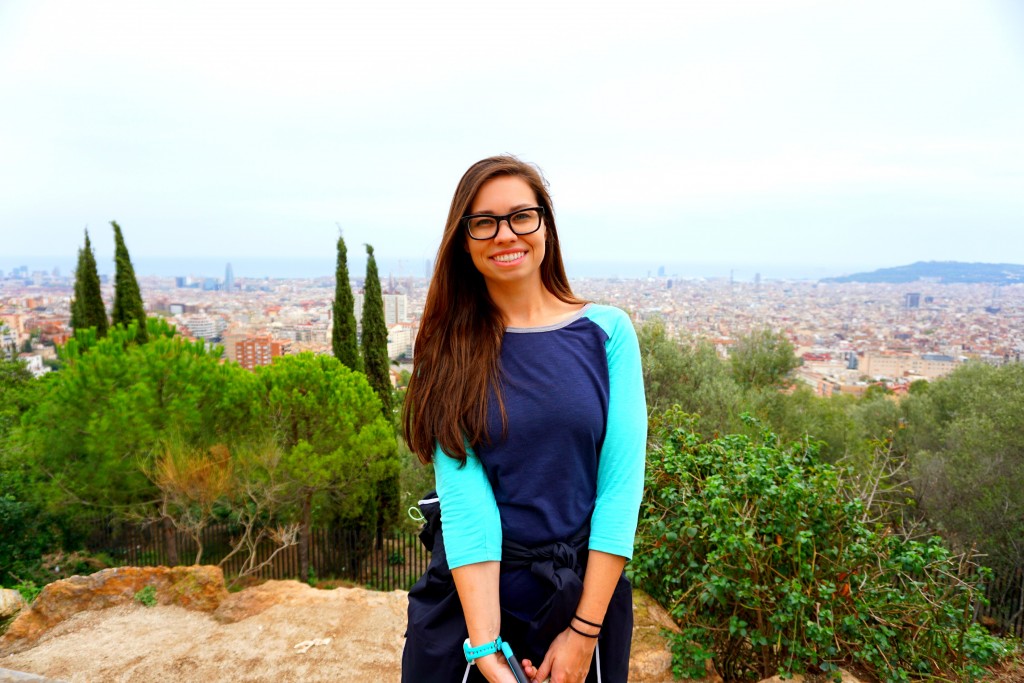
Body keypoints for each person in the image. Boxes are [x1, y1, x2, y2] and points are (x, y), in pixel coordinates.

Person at [401, 155, 646, 683]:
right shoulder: (445, 349)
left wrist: (583, 634)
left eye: (521, 216)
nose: (505, 234)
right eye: (483, 222)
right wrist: (486, 651)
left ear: (545, 225)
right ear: (464, 241)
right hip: (471, 604)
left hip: (583, 598)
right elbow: (467, 503)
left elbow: (620, 492)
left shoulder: (608, 334)